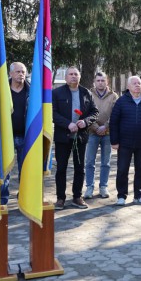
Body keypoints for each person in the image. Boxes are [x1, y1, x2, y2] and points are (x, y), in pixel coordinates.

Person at [52, 67, 98, 210]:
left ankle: (77, 197)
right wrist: (68, 124)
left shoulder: (86, 93)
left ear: (79, 77)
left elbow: (94, 112)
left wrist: (85, 122)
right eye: (70, 74)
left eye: (76, 74)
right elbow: (52, 113)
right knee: (61, 168)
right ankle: (60, 198)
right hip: (62, 137)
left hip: (80, 137)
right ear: (66, 78)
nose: (73, 77)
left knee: (80, 168)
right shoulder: (57, 93)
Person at [109, 76, 141, 206]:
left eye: (139, 83)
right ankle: (121, 196)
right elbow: (114, 122)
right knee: (122, 170)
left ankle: (139, 195)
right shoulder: (121, 102)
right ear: (128, 87)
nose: (137, 85)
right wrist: (114, 141)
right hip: (124, 143)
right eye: (134, 83)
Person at [83, 72, 118, 199]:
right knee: (90, 162)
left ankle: (103, 187)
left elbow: (115, 114)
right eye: (98, 80)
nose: (100, 83)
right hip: (92, 133)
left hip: (108, 133)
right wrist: (96, 127)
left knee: (106, 162)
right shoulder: (88, 94)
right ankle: (89, 187)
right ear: (94, 82)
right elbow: (85, 113)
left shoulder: (114, 96)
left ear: (107, 82)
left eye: (103, 80)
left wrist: (105, 126)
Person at [0, 62, 30, 205]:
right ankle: (3, 199)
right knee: (5, 169)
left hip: (26, 136)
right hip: (6, 136)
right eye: (18, 71)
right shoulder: (2, 90)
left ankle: (24, 197)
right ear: (10, 73)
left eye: (23, 72)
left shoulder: (32, 91)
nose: (21, 74)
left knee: (25, 168)